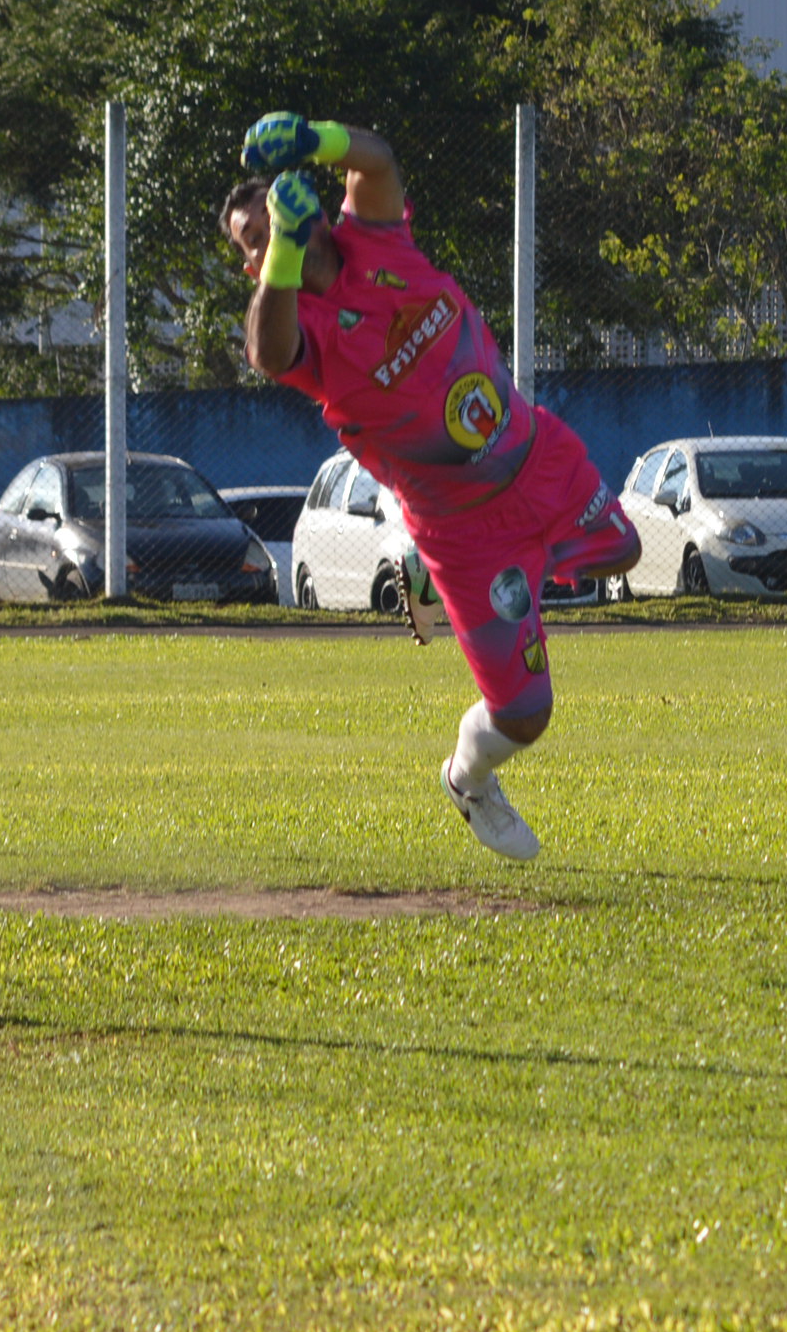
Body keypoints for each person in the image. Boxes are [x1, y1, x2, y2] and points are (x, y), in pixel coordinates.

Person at [225, 113, 642, 862]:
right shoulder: (302, 324)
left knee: (623, 549)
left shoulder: (375, 242)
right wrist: (283, 253)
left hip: (537, 456)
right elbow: (266, 350)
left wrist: (317, 139)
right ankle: (467, 777)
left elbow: (378, 159)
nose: (262, 243)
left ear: (313, 208)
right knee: (525, 715)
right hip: (467, 532)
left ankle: (505, 585)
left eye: (271, 222)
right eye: (251, 244)